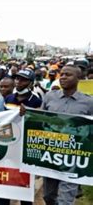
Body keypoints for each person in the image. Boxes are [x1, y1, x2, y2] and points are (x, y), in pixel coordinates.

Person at [40, 65, 93, 205]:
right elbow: (40, 119)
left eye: (67, 75)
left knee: (65, 200)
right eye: (62, 74)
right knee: (48, 196)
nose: (62, 77)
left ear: (79, 79)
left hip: (73, 158)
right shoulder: (49, 96)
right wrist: (25, 113)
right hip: (51, 155)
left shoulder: (89, 102)